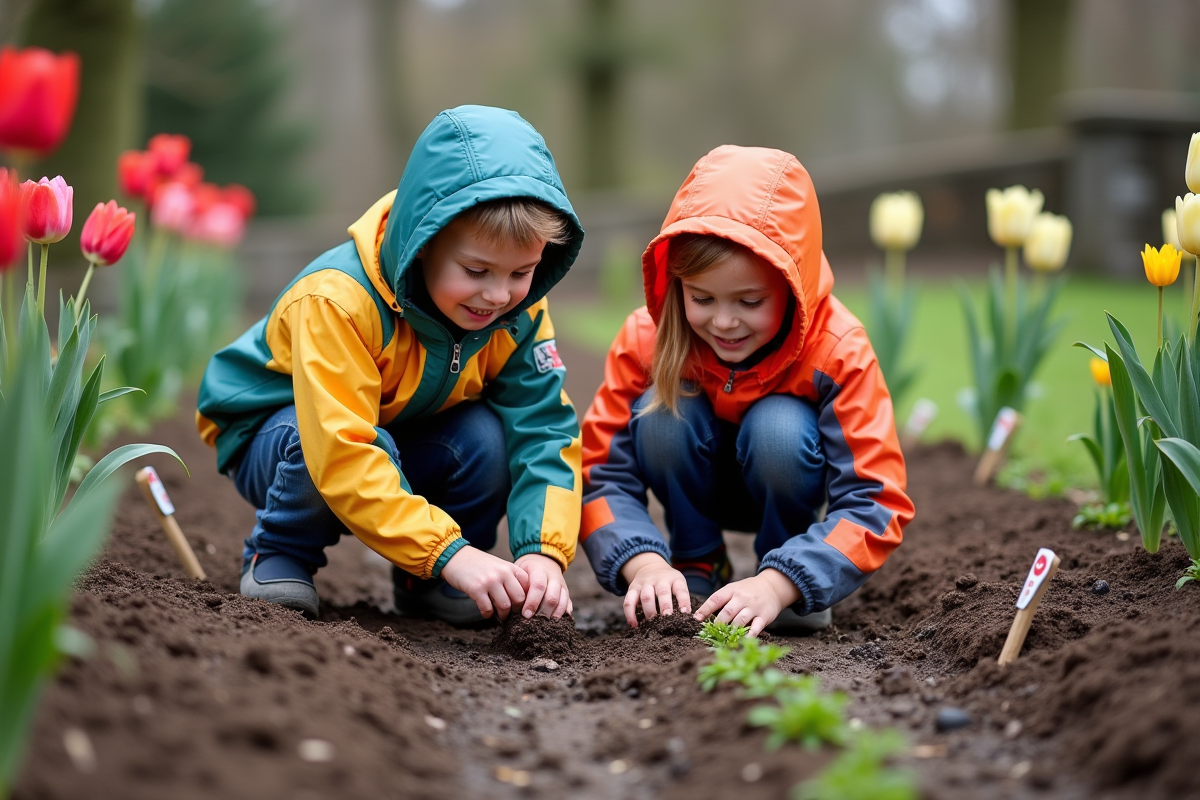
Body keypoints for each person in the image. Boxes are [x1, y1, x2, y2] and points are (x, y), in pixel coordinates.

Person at [196, 106, 584, 624]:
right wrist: (451, 553)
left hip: (402, 425)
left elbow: (544, 429)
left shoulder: (521, 310)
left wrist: (543, 550)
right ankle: (281, 553)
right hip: (277, 432)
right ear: (423, 246)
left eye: (522, 272)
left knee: (487, 438)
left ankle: (424, 581)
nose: (498, 294)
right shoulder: (338, 300)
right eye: (476, 270)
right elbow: (341, 445)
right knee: (306, 439)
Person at [580, 145, 914, 637]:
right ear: (677, 286)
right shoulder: (645, 340)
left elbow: (877, 498)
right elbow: (599, 473)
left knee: (779, 426)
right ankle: (696, 568)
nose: (724, 321)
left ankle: (779, 579)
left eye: (750, 301)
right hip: (693, 476)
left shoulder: (837, 349)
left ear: (791, 284)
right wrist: (643, 563)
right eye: (702, 298)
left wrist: (783, 583)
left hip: (784, 479)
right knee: (662, 415)